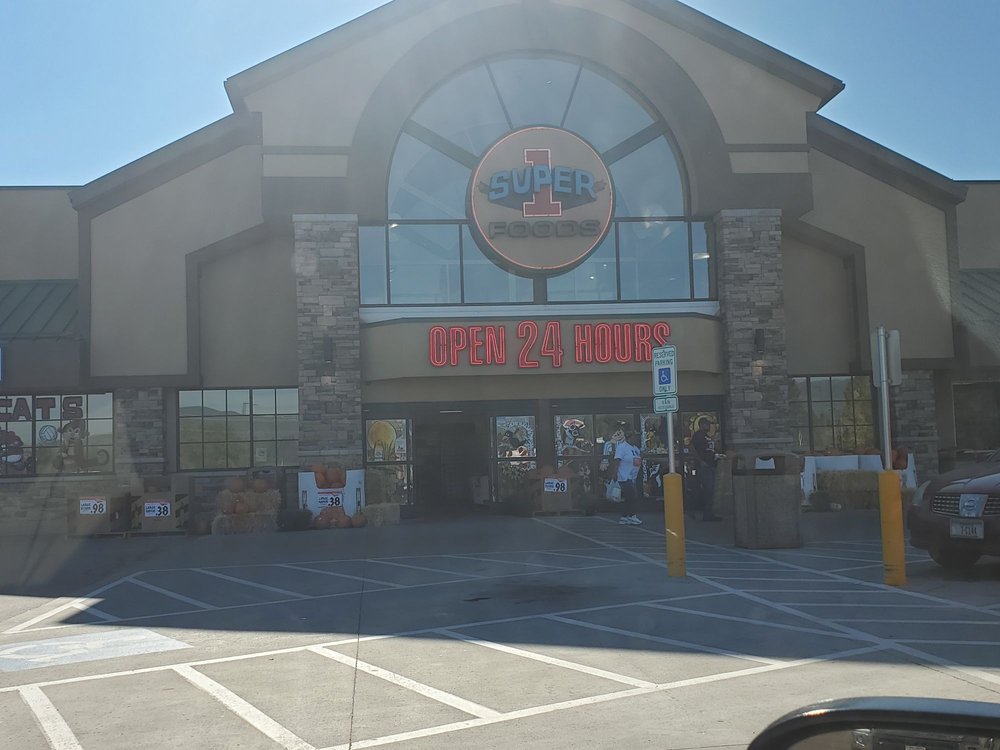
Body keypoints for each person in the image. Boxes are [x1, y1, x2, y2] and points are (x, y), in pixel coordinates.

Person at [691, 417, 722, 521]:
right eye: (707, 424)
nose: (709, 426)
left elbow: (710, 450)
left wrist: (717, 455)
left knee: (710, 490)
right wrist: (701, 461)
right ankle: (704, 514)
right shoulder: (698, 435)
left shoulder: (707, 436)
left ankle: (708, 513)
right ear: (701, 425)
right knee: (707, 489)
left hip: (711, 464)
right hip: (704, 466)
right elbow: (692, 448)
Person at [611, 427, 642, 525]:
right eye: (635, 436)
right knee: (632, 495)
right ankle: (632, 516)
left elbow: (637, 460)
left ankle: (624, 517)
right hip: (624, 476)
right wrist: (615, 473)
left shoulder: (635, 448)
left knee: (629, 497)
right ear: (629, 437)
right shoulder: (622, 447)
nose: (637, 438)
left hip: (632, 477)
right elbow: (617, 460)